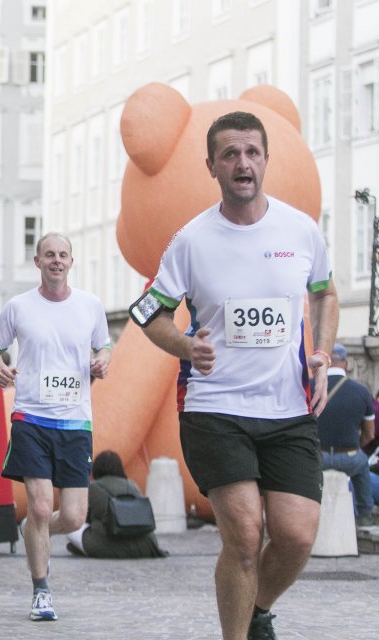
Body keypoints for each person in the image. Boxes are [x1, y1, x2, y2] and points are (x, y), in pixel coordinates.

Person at [133, 111, 339, 640]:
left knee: (295, 536)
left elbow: (325, 293)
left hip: (289, 410)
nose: (242, 163)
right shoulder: (192, 240)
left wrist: (323, 355)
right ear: (212, 166)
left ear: (266, 159)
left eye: (251, 152)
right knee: (245, 535)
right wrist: (185, 345)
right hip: (216, 407)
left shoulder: (300, 229)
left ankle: (257, 609)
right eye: (230, 154)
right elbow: (147, 314)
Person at [0, 232, 111, 622]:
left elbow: (103, 346)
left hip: (75, 421)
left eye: (63, 255)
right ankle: (41, 590)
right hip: (31, 417)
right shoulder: (19, 306)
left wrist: (103, 360)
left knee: (73, 517)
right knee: (41, 505)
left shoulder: (90, 305)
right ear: (37, 261)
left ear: (71, 262)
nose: (56, 261)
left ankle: (33, 531)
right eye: (49, 255)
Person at [315, 342, 376, 526]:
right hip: (349, 457)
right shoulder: (361, 391)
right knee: (362, 465)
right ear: (346, 363)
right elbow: (370, 435)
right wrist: (354, 446)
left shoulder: (312, 387)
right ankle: (365, 514)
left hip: (318, 457)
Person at [65, 450, 168, 559]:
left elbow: (83, 518)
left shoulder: (92, 488)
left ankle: (82, 548)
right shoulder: (133, 485)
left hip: (108, 545)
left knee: (71, 524)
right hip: (145, 545)